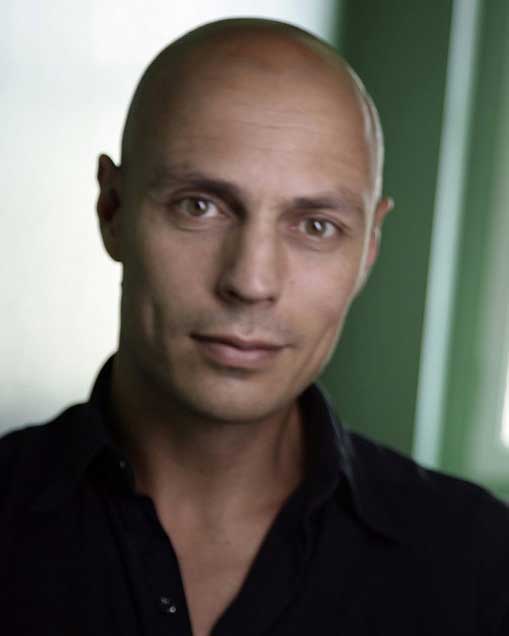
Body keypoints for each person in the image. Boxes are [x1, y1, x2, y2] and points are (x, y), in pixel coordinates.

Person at [1, 17, 508, 636]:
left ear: (369, 249)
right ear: (113, 210)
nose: (250, 280)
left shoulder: (482, 566)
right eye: (200, 206)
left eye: (316, 226)